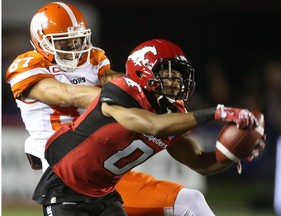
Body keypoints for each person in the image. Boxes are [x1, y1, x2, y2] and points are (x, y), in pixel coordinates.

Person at [6, 2, 232, 215]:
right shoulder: (29, 66)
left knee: (190, 201)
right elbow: (69, 94)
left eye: (77, 40)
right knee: (188, 203)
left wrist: (154, 84)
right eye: (64, 43)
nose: (74, 48)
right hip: (67, 170)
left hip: (104, 167)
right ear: (41, 42)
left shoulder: (92, 59)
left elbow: (122, 81)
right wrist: (129, 100)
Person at [31, 38, 265, 216]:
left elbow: (200, 162)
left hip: (105, 194)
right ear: (143, 71)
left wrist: (233, 154)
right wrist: (217, 112)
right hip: (65, 186)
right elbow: (151, 125)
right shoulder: (121, 91)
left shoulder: (174, 114)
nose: (175, 81)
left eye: (179, 76)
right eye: (167, 73)